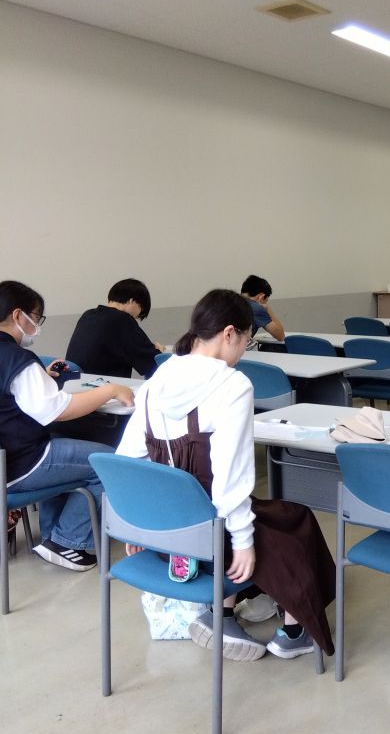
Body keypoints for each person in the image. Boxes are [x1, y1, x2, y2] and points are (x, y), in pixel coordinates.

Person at [116, 288, 335, 661]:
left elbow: (126, 462)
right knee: (296, 522)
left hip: (165, 531)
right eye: (247, 340)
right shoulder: (232, 386)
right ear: (230, 333)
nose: (244, 350)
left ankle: (227, 614)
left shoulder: (156, 382)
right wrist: (244, 541)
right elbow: (231, 481)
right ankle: (292, 630)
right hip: (210, 531)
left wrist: (135, 526)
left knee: (271, 519)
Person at [0, 279, 135, 571]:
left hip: (7, 459)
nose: (36, 326)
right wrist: (110, 390)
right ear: (18, 315)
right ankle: (69, 542)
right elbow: (57, 410)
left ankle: (52, 535)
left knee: (63, 448)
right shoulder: (15, 357)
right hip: (21, 463)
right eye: (36, 318)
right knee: (110, 464)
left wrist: (40, 377)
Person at [66, 278, 163, 380]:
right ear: (132, 301)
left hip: (73, 382)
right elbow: (150, 361)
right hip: (101, 385)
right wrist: (158, 351)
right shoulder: (122, 319)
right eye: (141, 309)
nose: (137, 317)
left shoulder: (88, 315)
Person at [241, 275, 285, 342]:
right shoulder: (255, 308)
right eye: (265, 301)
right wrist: (267, 309)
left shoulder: (232, 301)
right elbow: (280, 336)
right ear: (261, 297)